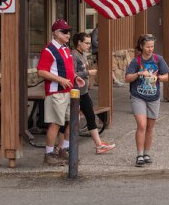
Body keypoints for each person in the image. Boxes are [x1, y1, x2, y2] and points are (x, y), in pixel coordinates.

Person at [125, 34, 169, 167]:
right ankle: (139, 155)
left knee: (150, 127)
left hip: (154, 97)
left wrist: (158, 78)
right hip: (138, 96)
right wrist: (138, 73)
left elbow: (167, 76)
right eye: (148, 46)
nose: (150, 49)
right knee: (142, 125)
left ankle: (146, 153)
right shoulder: (136, 61)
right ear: (141, 46)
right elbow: (127, 78)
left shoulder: (158, 59)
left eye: (152, 46)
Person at [37, 19, 75, 166]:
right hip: (56, 92)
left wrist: (75, 77)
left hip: (68, 90)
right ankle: (49, 154)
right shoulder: (49, 50)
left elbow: (68, 70)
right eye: (65, 32)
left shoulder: (65, 48)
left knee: (72, 120)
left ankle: (63, 149)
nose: (68, 34)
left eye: (69, 31)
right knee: (56, 123)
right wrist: (60, 80)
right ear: (56, 33)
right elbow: (41, 72)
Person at [72, 32, 115, 154]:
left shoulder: (83, 54)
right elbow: (71, 73)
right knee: (69, 121)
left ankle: (99, 145)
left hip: (84, 92)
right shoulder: (73, 55)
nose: (88, 46)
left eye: (90, 43)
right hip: (75, 93)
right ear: (79, 42)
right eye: (86, 43)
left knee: (90, 116)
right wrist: (88, 73)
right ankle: (62, 147)